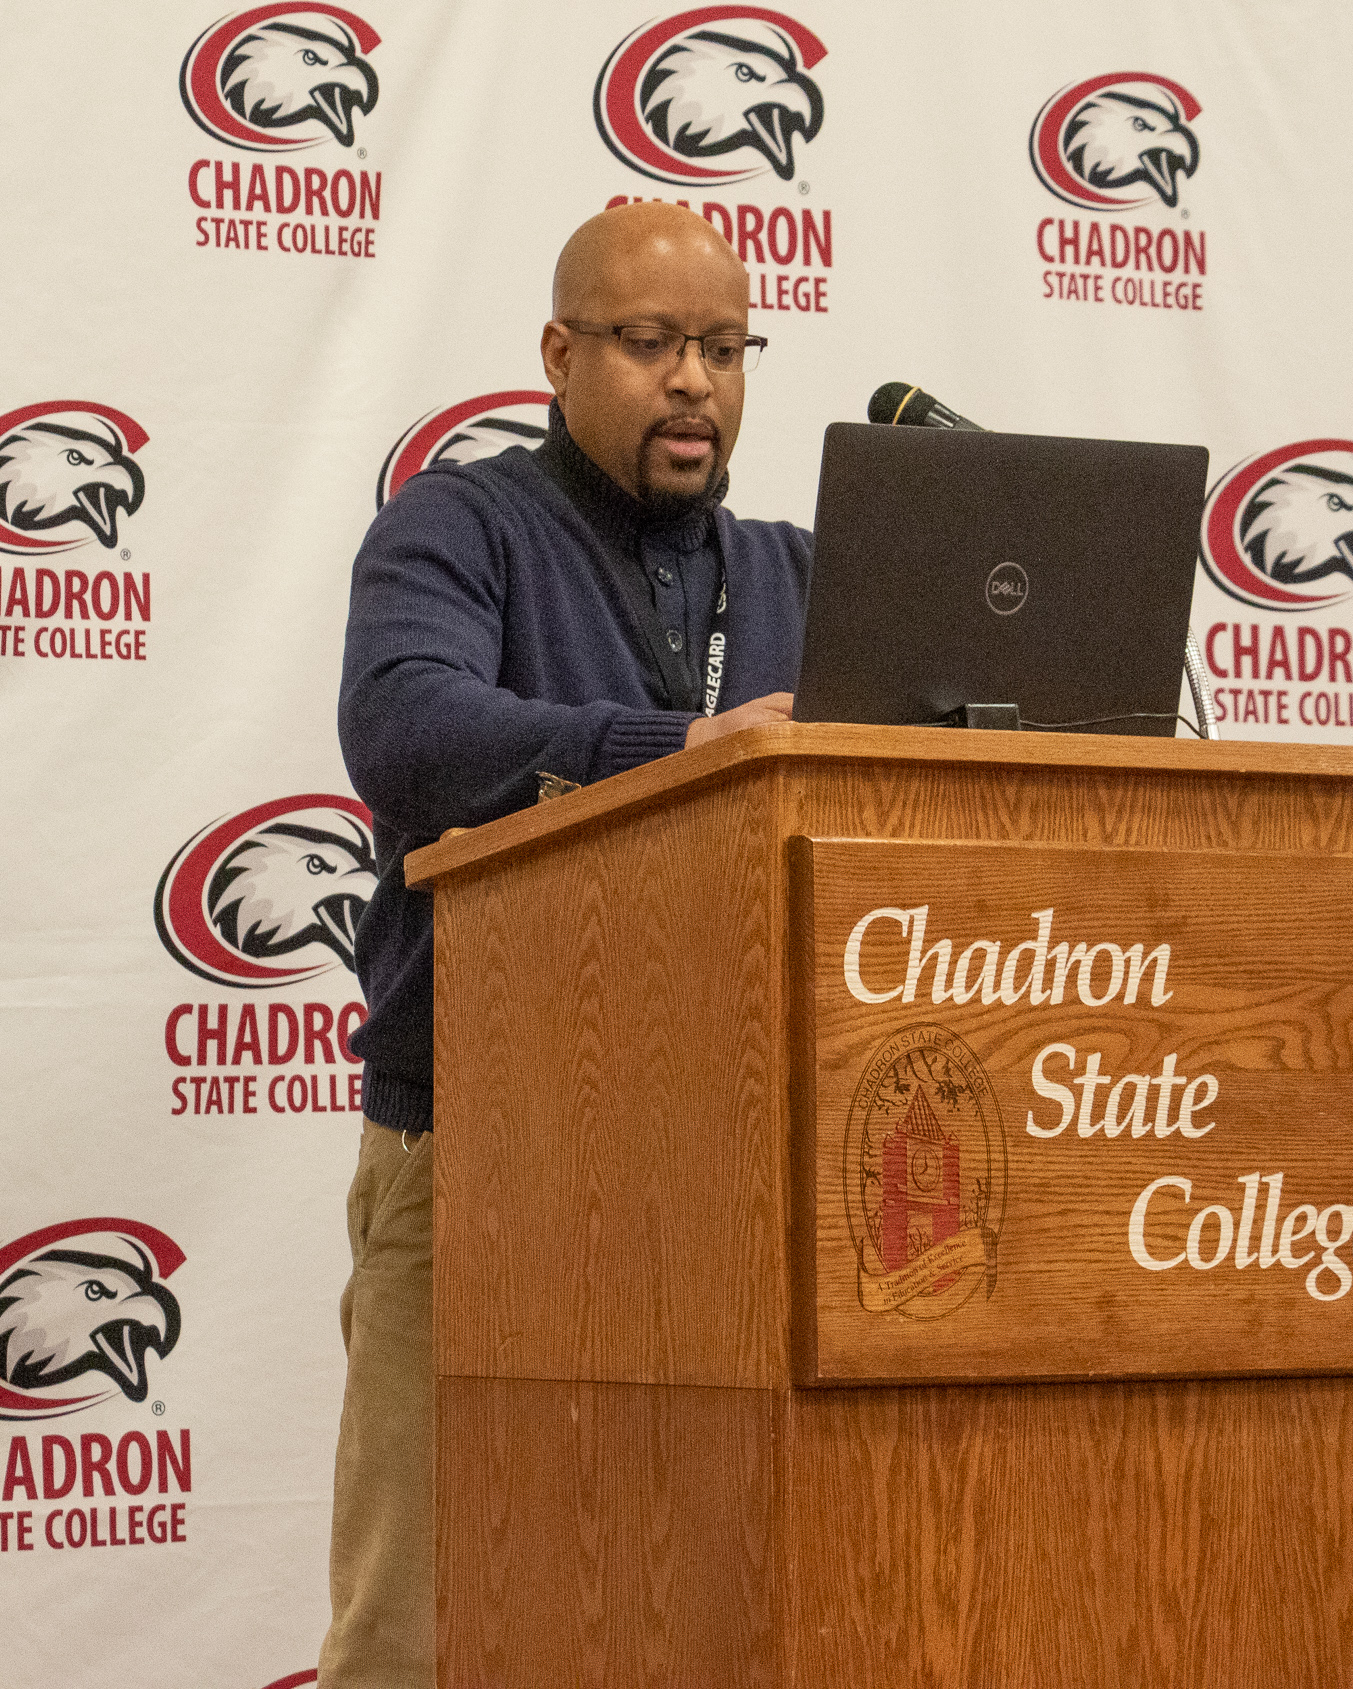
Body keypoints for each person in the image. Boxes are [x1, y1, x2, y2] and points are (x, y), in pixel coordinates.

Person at [322, 202, 806, 1689]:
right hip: (477, 1149)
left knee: (687, 1610)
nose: (693, 384)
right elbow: (408, 731)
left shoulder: (796, 572)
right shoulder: (458, 529)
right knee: (421, 1625)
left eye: (723, 349)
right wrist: (682, 747)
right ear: (559, 350)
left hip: (728, 1184)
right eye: (652, 343)